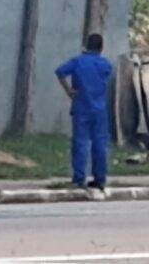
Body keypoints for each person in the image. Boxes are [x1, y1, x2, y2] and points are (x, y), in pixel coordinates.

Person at [55, 33, 113, 191]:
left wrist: (69, 91)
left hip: (81, 107)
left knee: (80, 143)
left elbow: (60, 72)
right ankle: (100, 179)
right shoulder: (105, 64)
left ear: (86, 45)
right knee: (100, 144)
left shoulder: (77, 62)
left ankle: (79, 178)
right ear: (101, 48)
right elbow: (106, 75)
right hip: (99, 109)